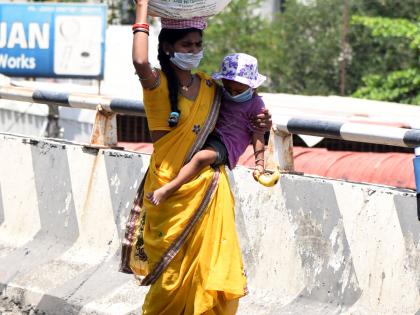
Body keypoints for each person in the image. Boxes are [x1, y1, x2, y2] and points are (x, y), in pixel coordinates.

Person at [120, 1, 272, 314]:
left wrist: (263, 124)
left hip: (210, 189)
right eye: (186, 44)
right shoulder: (157, 84)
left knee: (210, 271)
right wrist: (143, 9)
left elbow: (241, 110)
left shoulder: (209, 86)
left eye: (198, 44)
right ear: (168, 47)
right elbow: (139, 61)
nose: (194, 49)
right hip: (168, 191)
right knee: (171, 279)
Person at [146, 53, 267, 206]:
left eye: (238, 91)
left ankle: (169, 189)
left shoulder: (256, 105)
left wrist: (260, 164)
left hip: (227, 146)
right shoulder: (219, 94)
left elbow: (258, 134)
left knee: (201, 158)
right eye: (228, 89)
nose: (232, 94)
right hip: (204, 136)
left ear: (252, 86)